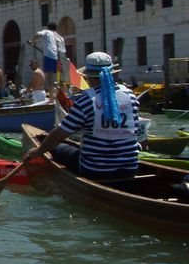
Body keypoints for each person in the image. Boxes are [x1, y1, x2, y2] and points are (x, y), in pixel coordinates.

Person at [23, 52, 140, 181]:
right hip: (130, 167)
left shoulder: (86, 101)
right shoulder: (131, 96)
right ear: (112, 73)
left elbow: (59, 134)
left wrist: (39, 151)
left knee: (57, 148)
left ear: (88, 76)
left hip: (95, 170)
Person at [29, 22, 66, 95]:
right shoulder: (59, 36)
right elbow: (62, 50)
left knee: (50, 79)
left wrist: (32, 41)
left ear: (48, 28)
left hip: (49, 56)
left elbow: (38, 34)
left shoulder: (46, 31)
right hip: (57, 57)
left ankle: (51, 98)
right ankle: (59, 94)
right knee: (57, 79)